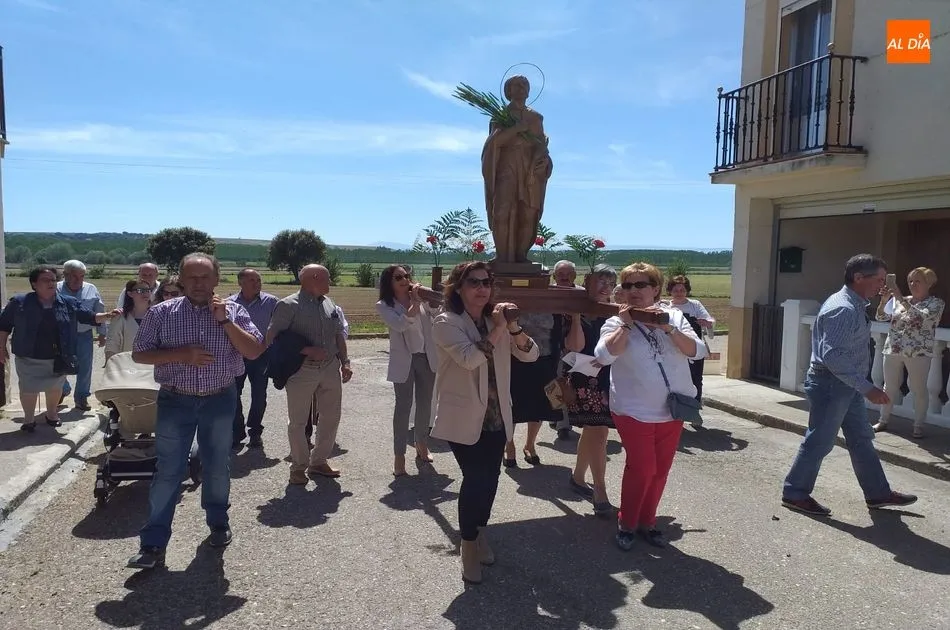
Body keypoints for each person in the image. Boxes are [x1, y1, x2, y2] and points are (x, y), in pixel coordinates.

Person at [127, 253, 264, 570]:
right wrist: (181, 354)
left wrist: (225, 321)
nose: (199, 283)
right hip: (176, 400)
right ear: (181, 280)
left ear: (217, 279)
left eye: (205, 277)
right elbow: (140, 355)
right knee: (168, 471)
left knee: (217, 465)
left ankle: (218, 523)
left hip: (219, 399)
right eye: (192, 277)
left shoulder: (234, 311)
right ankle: (153, 544)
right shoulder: (162, 312)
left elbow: (254, 350)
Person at [781, 254, 918, 517]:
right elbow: (833, 356)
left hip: (845, 384)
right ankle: (795, 492)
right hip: (832, 384)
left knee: (861, 439)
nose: (883, 285)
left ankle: (878, 493)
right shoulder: (842, 308)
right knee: (820, 441)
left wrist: (860, 385)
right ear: (858, 278)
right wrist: (867, 387)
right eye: (879, 279)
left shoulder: (854, 304)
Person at [431, 262, 538, 584]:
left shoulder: (498, 321)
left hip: (496, 414)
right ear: (458, 287)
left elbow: (531, 355)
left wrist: (514, 327)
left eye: (487, 282)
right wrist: (500, 327)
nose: (482, 288)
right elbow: (469, 358)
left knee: (490, 479)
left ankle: (479, 533)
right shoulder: (445, 322)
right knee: (476, 479)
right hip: (464, 415)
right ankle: (467, 546)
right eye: (474, 282)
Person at [595, 262, 707, 550]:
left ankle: (648, 520)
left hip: (672, 408)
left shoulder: (675, 316)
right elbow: (605, 356)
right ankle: (627, 522)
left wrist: (667, 328)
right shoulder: (615, 321)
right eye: (628, 285)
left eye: (641, 285)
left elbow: (696, 351)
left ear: (656, 289)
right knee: (642, 468)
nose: (634, 291)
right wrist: (627, 325)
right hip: (633, 409)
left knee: (660, 470)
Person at [0, 266, 119, 432]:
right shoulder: (19, 302)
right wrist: (1, 347)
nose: (51, 283)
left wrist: (108, 315)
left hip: (58, 355)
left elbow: (90, 316)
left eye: (53, 280)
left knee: (55, 388)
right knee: (28, 388)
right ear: (34, 284)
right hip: (28, 355)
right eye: (45, 280)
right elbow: (4, 326)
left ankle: (52, 414)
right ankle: (28, 420)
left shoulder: (67, 302)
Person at [266, 264, 351, 485]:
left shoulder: (329, 303)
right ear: (314, 278)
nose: (330, 281)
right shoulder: (288, 305)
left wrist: (345, 362)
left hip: (330, 368)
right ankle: (298, 467)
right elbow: (273, 338)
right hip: (302, 370)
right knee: (298, 421)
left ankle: (319, 462)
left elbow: (338, 334)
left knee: (331, 416)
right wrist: (307, 350)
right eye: (327, 278)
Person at [564, 264, 618, 516]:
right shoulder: (577, 307)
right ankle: (600, 489)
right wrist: (576, 316)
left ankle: (577, 477)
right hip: (586, 377)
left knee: (596, 432)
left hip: (612, 377)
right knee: (598, 432)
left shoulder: (617, 313)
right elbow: (575, 346)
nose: (605, 286)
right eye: (601, 280)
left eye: (611, 281)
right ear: (587, 281)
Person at [481, 75, 553, 263]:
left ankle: (521, 255)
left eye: (524, 85)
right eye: (516, 85)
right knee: (501, 211)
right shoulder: (501, 115)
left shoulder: (536, 118)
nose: (521, 88)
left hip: (530, 170)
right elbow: (493, 144)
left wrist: (542, 157)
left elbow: (540, 144)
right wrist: (515, 129)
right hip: (507, 166)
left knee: (528, 213)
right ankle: (502, 255)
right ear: (508, 91)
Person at [375, 265, 438, 476]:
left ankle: (421, 444)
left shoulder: (419, 298)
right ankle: (399, 456)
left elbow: (438, 312)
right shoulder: (384, 305)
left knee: (425, 404)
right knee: (403, 407)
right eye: (398, 277)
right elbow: (401, 325)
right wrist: (414, 303)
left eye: (406, 276)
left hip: (426, 357)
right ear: (389, 282)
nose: (404, 279)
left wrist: (427, 297)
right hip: (404, 360)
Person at [874, 267, 945, 439]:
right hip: (894, 349)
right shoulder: (901, 300)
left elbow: (920, 318)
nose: (913, 284)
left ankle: (918, 425)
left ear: (928, 283)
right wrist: (884, 301)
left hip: (918, 352)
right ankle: (883, 420)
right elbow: (881, 317)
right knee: (888, 387)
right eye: (910, 281)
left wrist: (899, 296)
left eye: (917, 281)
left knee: (919, 389)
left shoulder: (936, 304)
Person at [228, 268, 279, 449]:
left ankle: (255, 431)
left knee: (259, 395)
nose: (257, 283)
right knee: (233, 394)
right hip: (236, 355)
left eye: (258, 280)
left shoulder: (271, 302)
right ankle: (237, 431)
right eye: (252, 280)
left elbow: (278, 327)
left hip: (262, 354)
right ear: (240, 282)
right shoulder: (230, 304)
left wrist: (267, 344)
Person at [505, 311, 561, 467]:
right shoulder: (515, 302)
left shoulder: (551, 303)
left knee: (540, 405)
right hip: (515, 359)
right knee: (512, 405)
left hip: (546, 359)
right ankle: (509, 445)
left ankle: (530, 445)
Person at [57, 259, 107, 411]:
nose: (79, 280)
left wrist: (102, 334)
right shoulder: (56, 289)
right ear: (65, 275)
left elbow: (99, 311)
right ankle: (62, 389)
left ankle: (81, 397)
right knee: (59, 365)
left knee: (85, 367)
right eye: (74, 276)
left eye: (82, 276)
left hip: (84, 334)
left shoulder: (91, 289)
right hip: (61, 335)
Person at [664, 275, 715, 402]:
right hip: (672, 348)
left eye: (682, 290)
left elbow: (709, 320)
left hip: (693, 348)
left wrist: (707, 323)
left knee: (696, 378)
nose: (679, 293)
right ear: (670, 291)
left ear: (687, 290)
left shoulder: (695, 305)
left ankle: (695, 408)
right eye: (676, 290)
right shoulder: (666, 307)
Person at [105, 279, 152, 361]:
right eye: (140, 290)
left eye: (148, 290)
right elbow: (112, 345)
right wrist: (110, 365)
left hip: (152, 367)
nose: (145, 293)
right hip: (127, 366)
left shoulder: (157, 315)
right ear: (130, 294)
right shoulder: (119, 317)